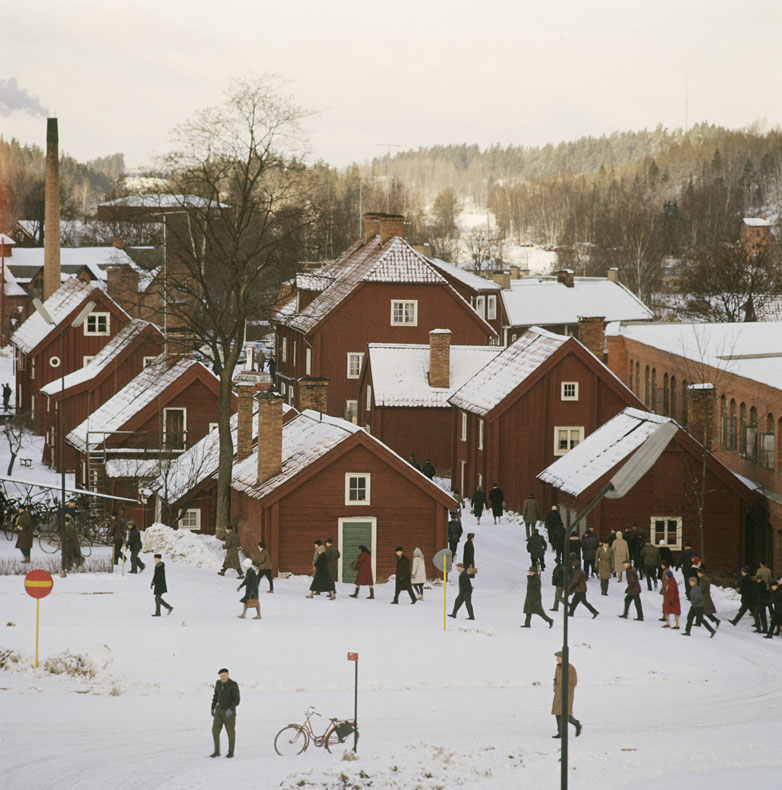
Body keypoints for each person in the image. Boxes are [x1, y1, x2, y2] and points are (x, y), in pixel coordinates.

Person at [211, 668, 240, 758]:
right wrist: (212, 707)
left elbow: (237, 699)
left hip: (229, 712)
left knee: (230, 732)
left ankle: (231, 752)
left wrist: (231, 709)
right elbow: (215, 696)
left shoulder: (233, 684)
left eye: (224, 676)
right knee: (215, 730)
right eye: (221, 676)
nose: (222, 678)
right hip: (219, 710)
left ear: (227, 675)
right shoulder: (218, 683)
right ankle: (216, 751)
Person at [552, 651, 582, 738]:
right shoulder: (558, 667)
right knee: (558, 714)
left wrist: (565, 691)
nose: (556, 659)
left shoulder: (570, 668)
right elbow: (555, 679)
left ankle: (576, 724)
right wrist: (556, 689)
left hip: (566, 695)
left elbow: (573, 682)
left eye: (558, 657)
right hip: (558, 694)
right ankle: (560, 733)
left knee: (565, 714)